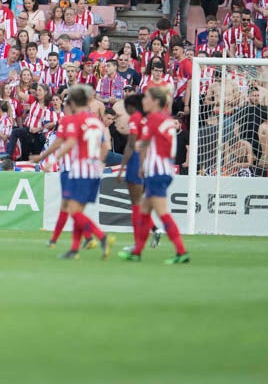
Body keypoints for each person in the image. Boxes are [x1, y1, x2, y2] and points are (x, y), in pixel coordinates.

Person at [34, 85, 115, 258]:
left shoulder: (75, 120)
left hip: (78, 170)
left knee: (73, 210)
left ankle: (102, 237)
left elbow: (68, 143)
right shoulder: (96, 121)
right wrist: (99, 164)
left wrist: (51, 161)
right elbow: (106, 146)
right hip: (94, 171)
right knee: (77, 210)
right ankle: (75, 249)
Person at [119, 87, 190, 264]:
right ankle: (137, 251)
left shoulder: (153, 119)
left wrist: (140, 164)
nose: (143, 101)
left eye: (147, 98)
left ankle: (181, 251)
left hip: (157, 171)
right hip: (164, 169)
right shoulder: (166, 119)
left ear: (156, 102)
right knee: (144, 212)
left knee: (162, 212)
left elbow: (142, 144)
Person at [114, 94, 161, 249]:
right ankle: (154, 229)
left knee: (135, 204)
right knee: (140, 203)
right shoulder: (145, 118)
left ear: (131, 106)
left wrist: (121, 168)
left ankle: (137, 244)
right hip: (148, 161)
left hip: (136, 161)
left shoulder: (134, 118)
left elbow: (130, 145)